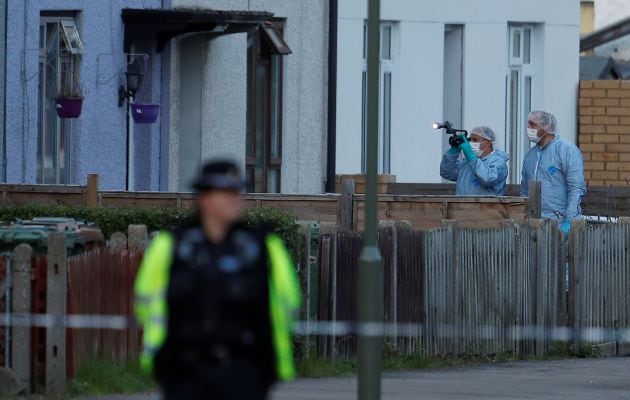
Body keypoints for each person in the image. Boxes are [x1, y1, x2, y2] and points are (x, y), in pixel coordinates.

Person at [134, 160, 301, 400]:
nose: (234, 198)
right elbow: (146, 303)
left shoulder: (262, 247)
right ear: (204, 198)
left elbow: (287, 304)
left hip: (244, 371)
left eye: (237, 191)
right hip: (185, 371)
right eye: (225, 192)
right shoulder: (172, 246)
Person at [520, 110, 586, 234]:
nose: (528, 128)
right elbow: (524, 191)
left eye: (532, 124)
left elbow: (576, 188)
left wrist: (569, 222)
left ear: (547, 127)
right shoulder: (530, 155)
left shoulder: (566, 150)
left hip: (560, 225)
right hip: (533, 225)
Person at [440, 126, 509, 196]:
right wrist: (453, 152)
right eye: (470, 140)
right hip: (462, 205)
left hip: (488, 206)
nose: (471, 143)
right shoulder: (466, 162)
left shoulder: (498, 162)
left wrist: (472, 158)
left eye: (475, 140)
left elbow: (488, 179)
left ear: (488, 142)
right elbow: (447, 174)